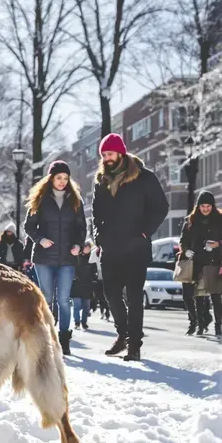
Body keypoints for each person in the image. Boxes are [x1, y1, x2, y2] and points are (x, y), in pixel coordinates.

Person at [92, 133, 170, 361]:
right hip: (110, 247)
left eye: (110, 153)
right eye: (104, 155)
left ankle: (134, 344)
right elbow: (96, 213)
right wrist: (98, 236)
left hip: (136, 247)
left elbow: (161, 207)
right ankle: (123, 335)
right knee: (110, 293)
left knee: (135, 297)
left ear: (120, 153)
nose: (107, 158)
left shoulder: (144, 177)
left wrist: (145, 232)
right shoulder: (101, 180)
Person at [24, 160, 88, 356]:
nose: (62, 181)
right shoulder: (40, 199)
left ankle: (64, 339)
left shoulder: (75, 201)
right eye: (59, 177)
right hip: (44, 258)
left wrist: (78, 245)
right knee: (47, 299)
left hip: (67, 259)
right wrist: (40, 239)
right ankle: (47, 338)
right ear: (51, 178)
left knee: (63, 300)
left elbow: (81, 228)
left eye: (65, 178)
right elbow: (29, 226)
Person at [178, 191, 222, 336]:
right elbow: (183, 240)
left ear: (212, 206)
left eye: (208, 206)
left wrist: (217, 244)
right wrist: (186, 251)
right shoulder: (190, 220)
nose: (206, 209)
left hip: (214, 261)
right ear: (198, 206)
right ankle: (200, 324)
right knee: (198, 295)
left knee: (216, 295)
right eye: (203, 206)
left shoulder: (219, 219)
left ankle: (218, 326)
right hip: (195, 262)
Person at [71, 241, 96, 331]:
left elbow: (94, 271)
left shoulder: (92, 258)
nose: (87, 249)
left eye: (89, 248)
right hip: (77, 284)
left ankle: (84, 322)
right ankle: (77, 322)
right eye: (85, 247)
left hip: (87, 285)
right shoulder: (77, 256)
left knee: (86, 306)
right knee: (76, 305)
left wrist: (93, 280)